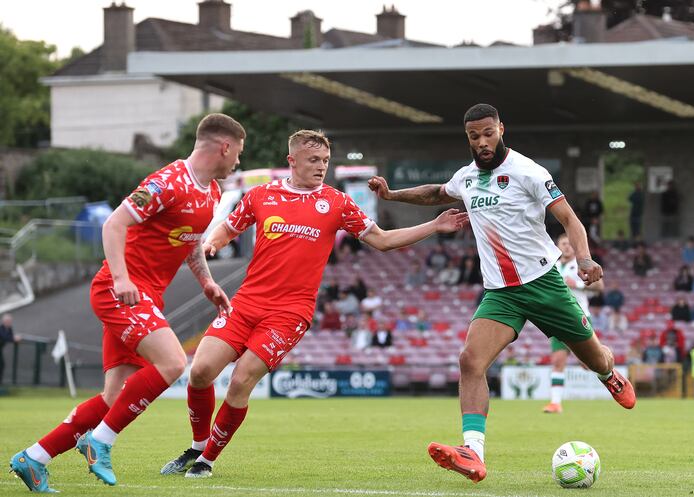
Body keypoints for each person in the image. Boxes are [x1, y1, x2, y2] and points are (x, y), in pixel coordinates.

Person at [160, 130, 468, 479]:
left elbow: (381, 240)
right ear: (292, 161)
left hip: (289, 314)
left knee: (242, 379)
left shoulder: (337, 203)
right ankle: (196, 446)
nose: (321, 167)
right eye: (313, 161)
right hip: (245, 304)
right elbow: (228, 229)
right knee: (200, 372)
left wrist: (434, 224)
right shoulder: (261, 195)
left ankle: (207, 461)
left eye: (325, 161)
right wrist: (212, 244)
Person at [367, 103, 635, 483]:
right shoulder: (467, 178)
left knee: (595, 359)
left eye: (488, 133)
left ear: (501, 129)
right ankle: (473, 453)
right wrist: (392, 196)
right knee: (470, 362)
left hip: (544, 284)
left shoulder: (528, 172)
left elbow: (569, 219)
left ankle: (610, 375)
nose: (482, 142)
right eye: (474, 136)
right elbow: (435, 193)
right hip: (501, 293)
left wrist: (586, 260)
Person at [9, 113, 243, 491]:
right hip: (119, 291)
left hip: (145, 296)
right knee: (171, 361)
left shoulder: (212, 192)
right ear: (225, 147)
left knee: (112, 399)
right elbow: (113, 224)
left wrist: (207, 283)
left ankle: (34, 458)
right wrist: (120, 278)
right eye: (237, 154)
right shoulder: (167, 182)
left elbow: (190, 243)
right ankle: (100, 441)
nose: (237, 163)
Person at [543, 234, 604, 414]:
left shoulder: (581, 264)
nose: (567, 247)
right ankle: (555, 403)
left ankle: (608, 364)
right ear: (558, 246)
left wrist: (577, 284)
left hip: (579, 316)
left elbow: (600, 286)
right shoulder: (550, 265)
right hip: (556, 318)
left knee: (589, 364)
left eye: (570, 244)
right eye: (564, 243)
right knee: (557, 361)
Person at [0, 313, 21, 385]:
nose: (9, 322)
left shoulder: (9, 329)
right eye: (8, 321)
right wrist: (14, 339)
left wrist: (15, 338)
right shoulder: (1, 328)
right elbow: (5, 337)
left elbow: (10, 337)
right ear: (4, 321)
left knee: (2, 365)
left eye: (10, 321)